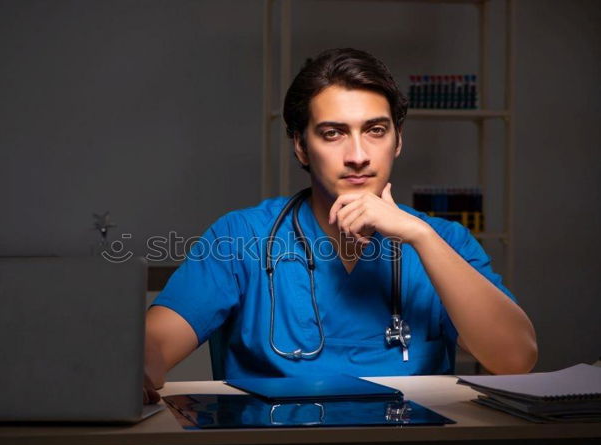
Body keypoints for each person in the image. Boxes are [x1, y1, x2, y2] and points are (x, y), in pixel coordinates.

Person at [143, 48, 537, 404]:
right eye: (333, 134)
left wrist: (420, 236)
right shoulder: (242, 236)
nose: (358, 156)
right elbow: (155, 343)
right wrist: (140, 364)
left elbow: (515, 359)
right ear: (300, 146)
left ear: (398, 141)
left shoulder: (445, 241)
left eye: (376, 130)